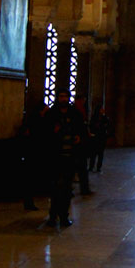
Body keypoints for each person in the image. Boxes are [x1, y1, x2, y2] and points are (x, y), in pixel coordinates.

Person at [45, 89, 83, 226]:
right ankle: (52, 215)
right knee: (54, 187)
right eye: (61, 96)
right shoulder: (51, 114)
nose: (63, 99)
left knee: (66, 188)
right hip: (56, 156)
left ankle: (63, 216)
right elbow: (45, 133)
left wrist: (78, 137)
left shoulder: (74, 114)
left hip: (69, 156)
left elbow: (81, 131)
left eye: (65, 97)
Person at [19, 100, 49, 210]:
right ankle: (29, 202)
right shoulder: (38, 122)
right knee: (30, 179)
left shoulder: (35, 120)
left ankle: (29, 201)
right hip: (33, 153)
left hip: (33, 153)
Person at [73, 94, 93, 194]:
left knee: (82, 167)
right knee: (79, 166)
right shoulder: (75, 111)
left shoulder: (80, 111)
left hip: (82, 143)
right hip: (77, 144)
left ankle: (84, 189)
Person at [89, 105, 110, 172]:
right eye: (101, 109)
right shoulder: (94, 118)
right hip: (95, 137)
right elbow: (92, 126)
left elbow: (107, 126)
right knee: (93, 153)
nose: (103, 110)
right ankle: (91, 166)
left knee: (100, 153)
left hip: (102, 137)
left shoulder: (105, 118)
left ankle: (98, 167)